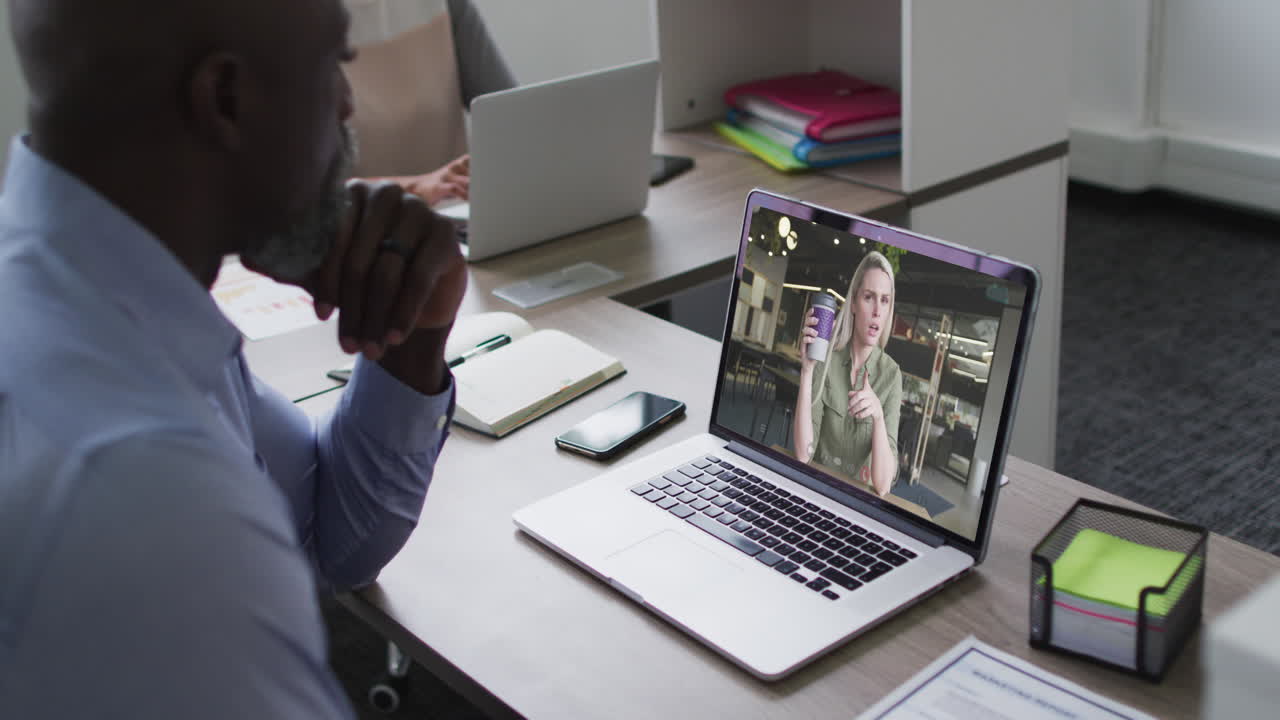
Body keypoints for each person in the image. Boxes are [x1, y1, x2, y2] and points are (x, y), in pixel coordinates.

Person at [0, 0, 466, 716]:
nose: (348, 107)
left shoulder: (92, 291)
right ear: (225, 99)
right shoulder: (151, 503)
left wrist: (414, 330)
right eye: (336, 64)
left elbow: (324, 542)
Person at [344, 0, 515, 205]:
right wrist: (416, 186)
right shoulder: (302, 22)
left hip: (456, 218)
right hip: (356, 232)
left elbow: (513, 122)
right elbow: (304, 198)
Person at [792, 251, 904, 497]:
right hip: (815, 491)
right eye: (869, 297)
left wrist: (878, 418)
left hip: (858, 505)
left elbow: (883, 485)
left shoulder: (892, 375)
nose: (877, 310)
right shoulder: (827, 357)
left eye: (885, 300)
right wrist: (807, 371)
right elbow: (803, 454)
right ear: (853, 303)